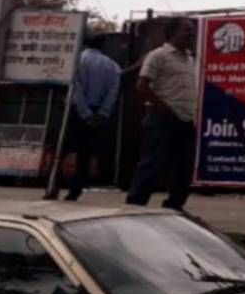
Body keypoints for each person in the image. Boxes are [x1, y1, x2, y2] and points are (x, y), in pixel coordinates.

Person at [126, 17, 199, 211]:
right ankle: (134, 206)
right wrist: (163, 106)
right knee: (153, 164)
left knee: (184, 167)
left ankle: (174, 207)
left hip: (185, 119)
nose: (191, 34)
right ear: (172, 33)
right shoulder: (158, 55)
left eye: (192, 31)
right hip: (162, 118)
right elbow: (141, 86)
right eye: (187, 30)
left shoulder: (190, 59)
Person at [60, 32, 121, 201]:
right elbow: (113, 92)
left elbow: (75, 88)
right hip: (97, 112)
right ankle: (76, 190)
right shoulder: (112, 66)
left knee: (64, 148)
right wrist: (102, 113)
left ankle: (55, 185)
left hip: (76, 110)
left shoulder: (76, 61)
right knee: (85, 153)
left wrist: (84, 113)